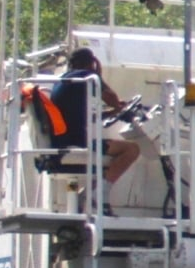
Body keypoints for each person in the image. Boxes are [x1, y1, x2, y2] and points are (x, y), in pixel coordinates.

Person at [40, 47, 141, 185]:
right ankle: (101, 195)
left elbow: (84, 116)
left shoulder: (67, 80)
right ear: (91, 62)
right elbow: (112, 98)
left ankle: (92, 194)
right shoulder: (87, 76)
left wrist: (113, 112)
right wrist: (98, 75)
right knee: (132, 149)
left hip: (63, 141)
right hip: (77, 143)